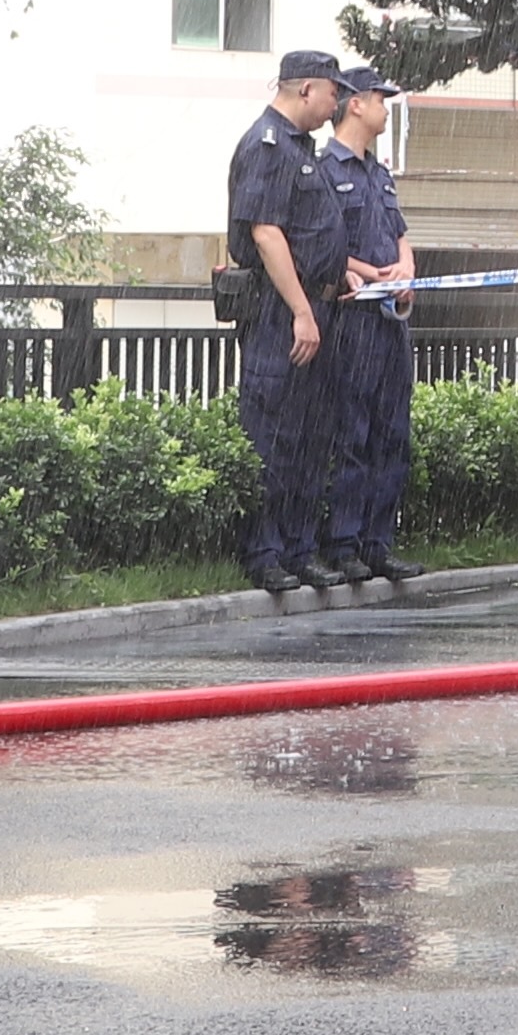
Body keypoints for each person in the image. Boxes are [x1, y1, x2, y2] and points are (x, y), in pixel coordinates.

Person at [224, 41, 348, 610]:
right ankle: (265, 553)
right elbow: (267, 233)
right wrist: (301, 309)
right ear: (305, 88)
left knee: (307, 435)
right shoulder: (267, 145)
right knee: (272, 433)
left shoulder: (300, 148)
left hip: (314, 307)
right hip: (281, 313)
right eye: (331, 92)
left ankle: (298, 549)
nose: (335, 104)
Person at [317, 61, 420, 597]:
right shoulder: (324, 169)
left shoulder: (380, 174)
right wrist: (362, 271)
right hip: (352, 322)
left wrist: (404, 270)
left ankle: (379, 545)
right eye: (379, 98)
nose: (385, 108)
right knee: (351, 436)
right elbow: (323, 245)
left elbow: (401, 235)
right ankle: (344, 544)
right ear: (355, 102)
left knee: (392, 435)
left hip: (390, 326)